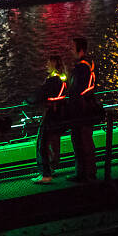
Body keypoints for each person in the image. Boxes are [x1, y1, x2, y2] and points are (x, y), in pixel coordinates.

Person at [28, 55, 69, 184]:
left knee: (42, 143)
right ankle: (51, 168)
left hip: (50, 114)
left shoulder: (52, 80)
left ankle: (45, 174)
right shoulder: (63, 78)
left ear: (53, 65)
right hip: (59, 115)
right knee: (53, 142)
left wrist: (28, 101)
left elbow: (40, 94)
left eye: (48, 63)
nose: (46, 65)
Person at [67, 37, 99, 183]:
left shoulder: (81, 68)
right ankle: (88, 172)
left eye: (72, 47)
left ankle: (84, 174)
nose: (70, 49)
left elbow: (76, 90)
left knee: (81, 141)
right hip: (87, 107)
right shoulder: (90, 64)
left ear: (80, 49)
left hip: (80, 111)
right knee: (86, 140)